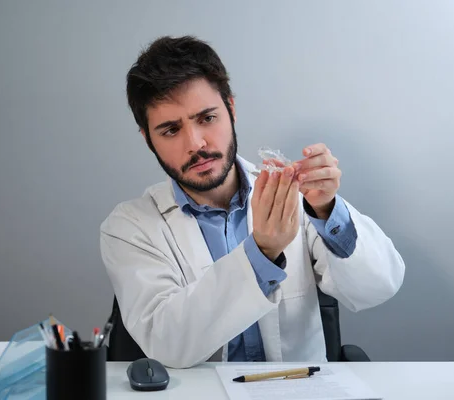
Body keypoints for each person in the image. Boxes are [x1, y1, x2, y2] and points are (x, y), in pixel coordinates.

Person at [100, 35, 405, 369]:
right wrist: (261, 252)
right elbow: (167, 342)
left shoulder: (290, 193)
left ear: (230, 108)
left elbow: (379, 286)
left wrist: (326, 210)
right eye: (171, 130)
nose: (196, 143)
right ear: (148, 139)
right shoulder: (129, 227)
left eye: (207, 118)